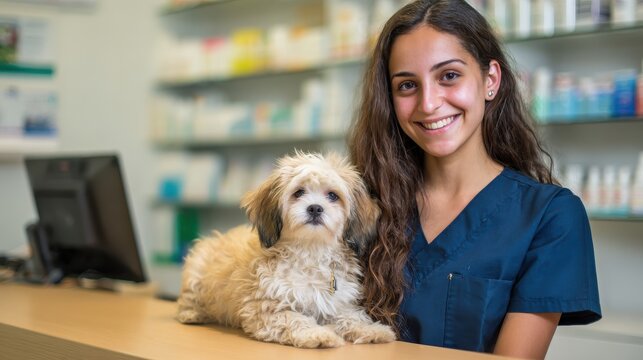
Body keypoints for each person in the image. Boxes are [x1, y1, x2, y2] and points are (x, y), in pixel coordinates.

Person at [347, 0, 601, 358]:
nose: (429, 103)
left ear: (490, 80)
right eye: (407, 85)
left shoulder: (549, 217)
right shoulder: (362, 206)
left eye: (449, 76)